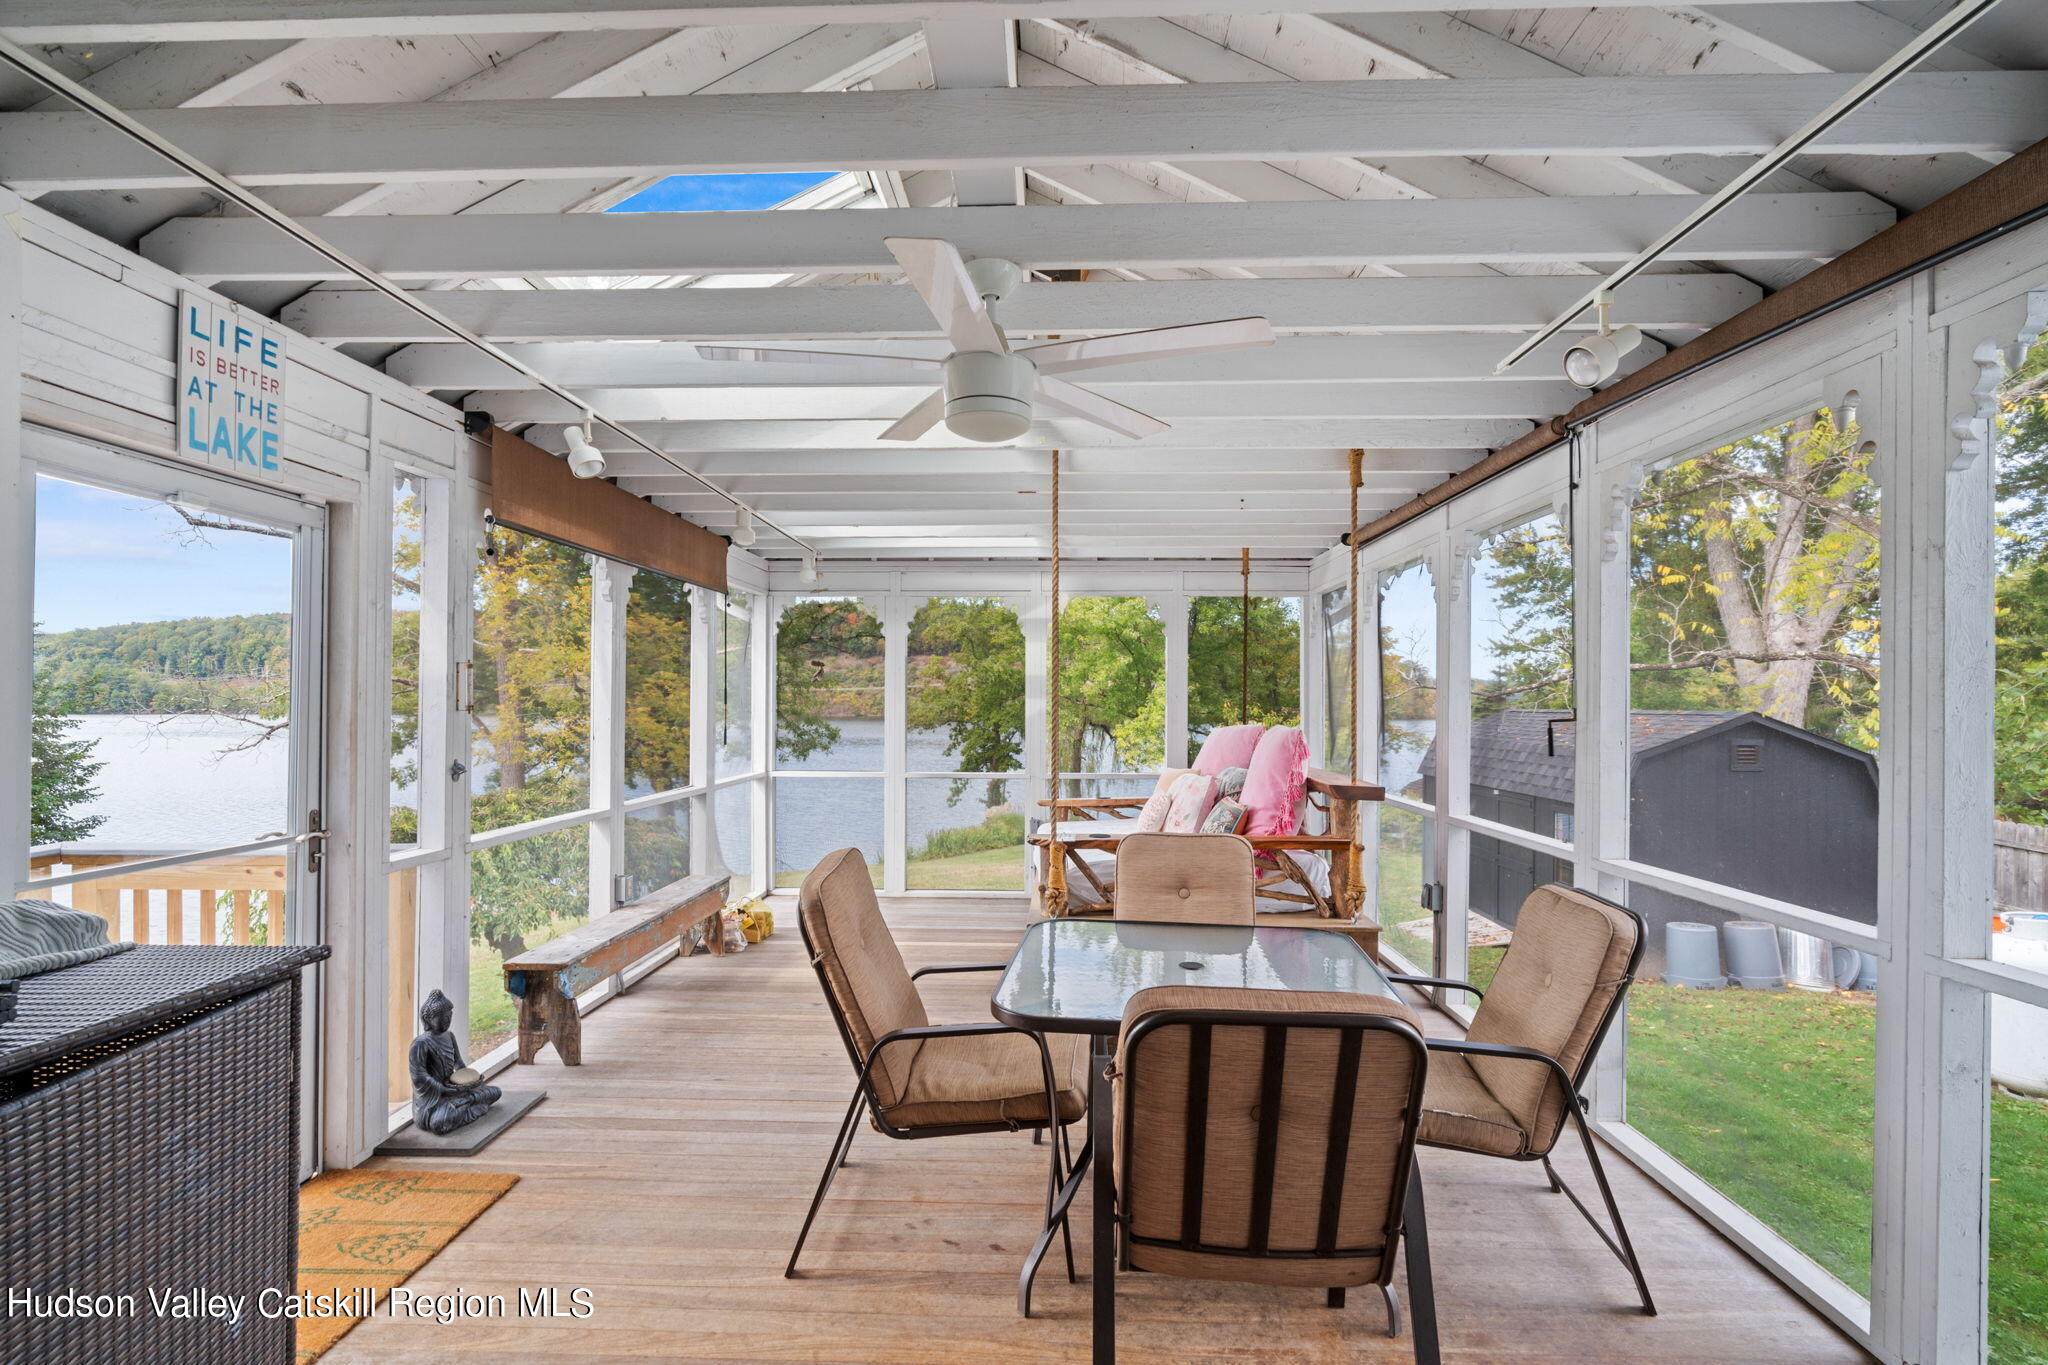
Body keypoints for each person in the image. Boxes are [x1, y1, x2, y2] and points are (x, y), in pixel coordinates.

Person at [409, 988, 501, 1134]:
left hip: (455, 1090)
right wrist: (443, 1089)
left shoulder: (449, 1036)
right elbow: (418, 1076)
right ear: (429, 1019)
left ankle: (467, 1102)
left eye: (449, 1017)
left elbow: (459, 1063)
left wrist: (471, 1082)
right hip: (434, 1099)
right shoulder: (421, 1043)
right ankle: (473, 1104)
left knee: (495, 1092)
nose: (447, 1021)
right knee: (438, 1123)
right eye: (443, 1017)